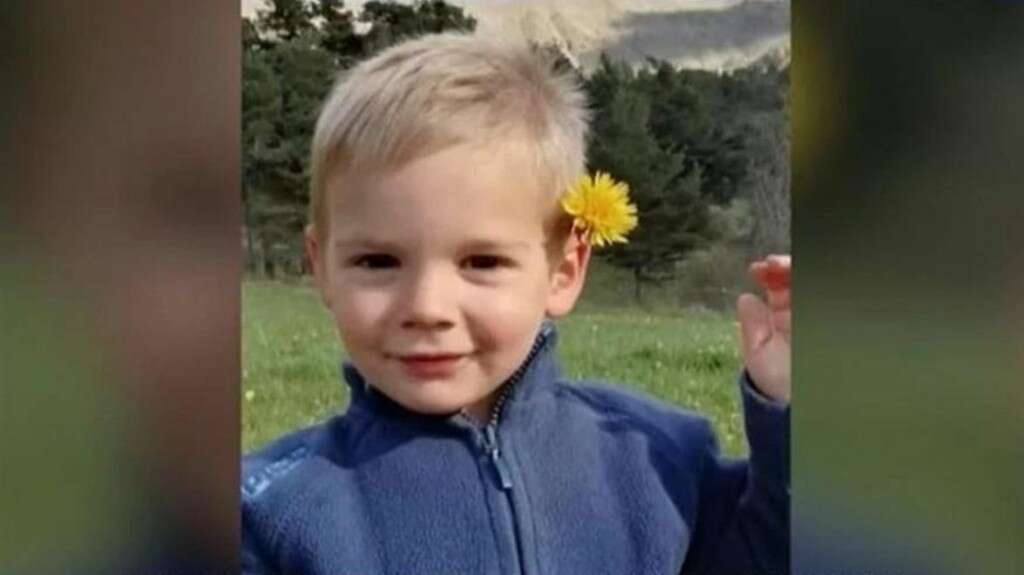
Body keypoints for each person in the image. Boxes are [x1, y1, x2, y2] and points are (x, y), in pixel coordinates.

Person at [242, 32, 790, 575]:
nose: (427, 307)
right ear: (321, 266)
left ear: (564, 271)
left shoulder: (658, 457)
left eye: (481, 262)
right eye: (378, 262)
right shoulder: (269, 512)